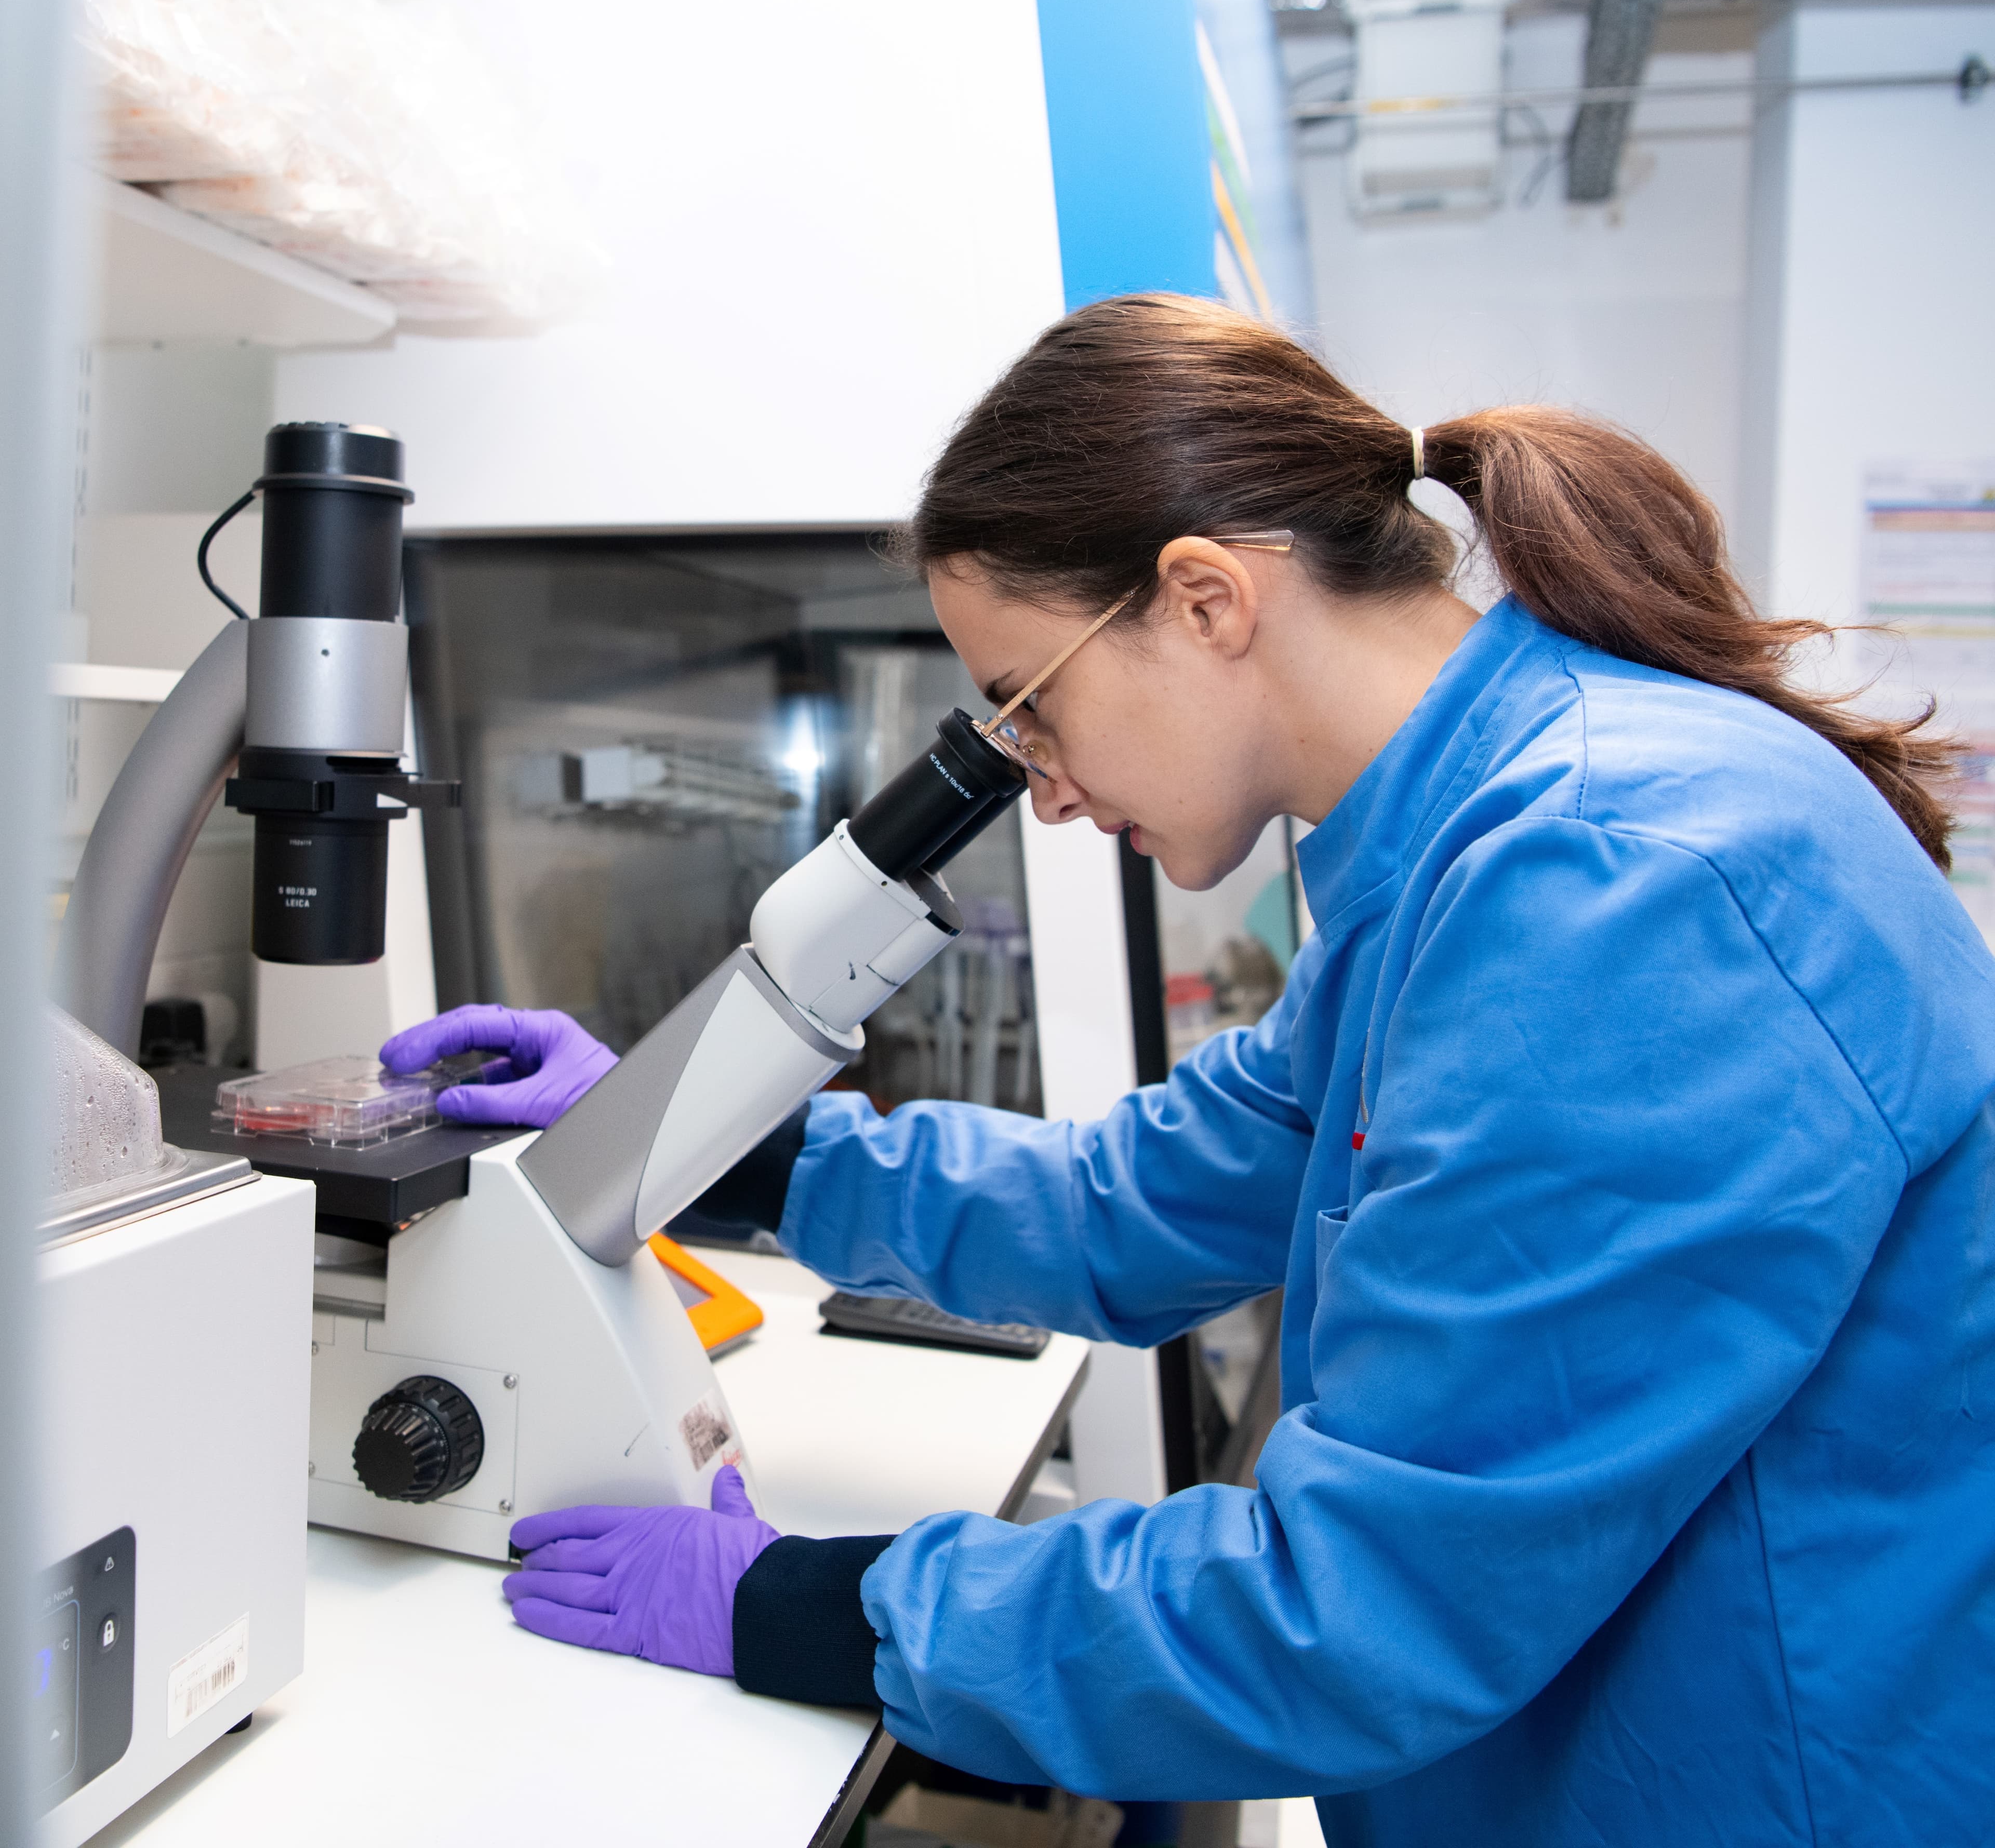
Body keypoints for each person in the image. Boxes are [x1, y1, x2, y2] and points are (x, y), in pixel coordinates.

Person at [382, 294, 1995, 1845]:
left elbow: (1362, 1610)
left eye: (1033, 703)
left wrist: (815, 1607)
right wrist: (703, 1132)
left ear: (1207, 598)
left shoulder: (1613, 882)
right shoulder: (1459, 844)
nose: (1048, 788)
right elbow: (1132, 1206)